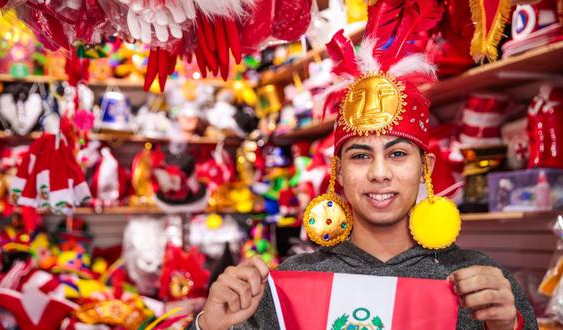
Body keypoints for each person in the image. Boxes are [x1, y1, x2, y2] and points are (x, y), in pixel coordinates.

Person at [187, 1, 538, 328]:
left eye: (398, 154)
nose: (380, 173)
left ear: (425, 166)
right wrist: (209, 325)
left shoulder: (482, 284)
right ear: (338, 170)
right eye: (360, 155)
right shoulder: (285, 287)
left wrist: (509, 325)